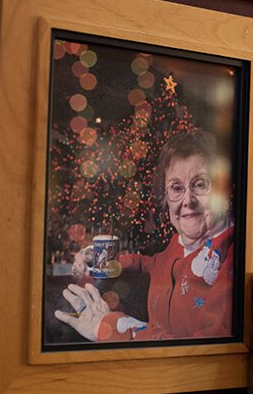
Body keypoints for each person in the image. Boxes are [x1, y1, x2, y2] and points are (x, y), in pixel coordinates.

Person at [55, 129, 234, 342]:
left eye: (201, 184)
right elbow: (150, 264)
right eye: (176, 188)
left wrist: (110, 327)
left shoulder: (231, 256)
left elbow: (202, 351)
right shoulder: (178, 245)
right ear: (166, 199)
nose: (188, 200)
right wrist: (99, 260)